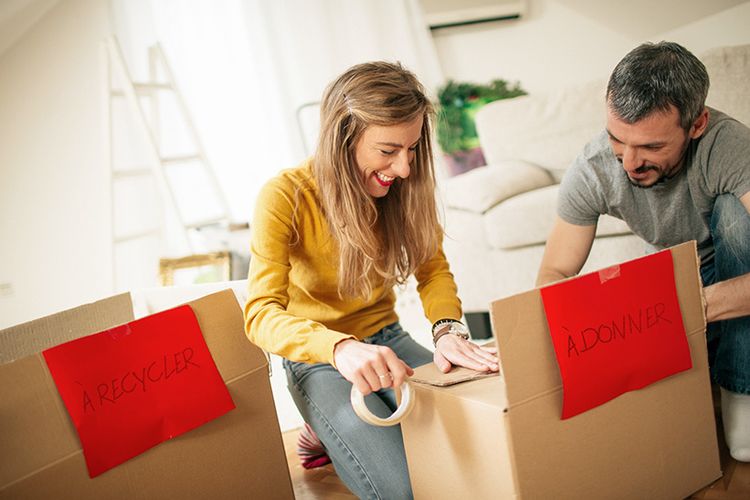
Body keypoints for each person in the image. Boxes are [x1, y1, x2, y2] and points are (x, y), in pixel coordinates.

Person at [244, 61, 499, 499]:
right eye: (387, 151)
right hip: (321, 358)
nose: (403, 168)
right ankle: (320, 425)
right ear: (343, 139)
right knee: (407, 490)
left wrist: (447, 330)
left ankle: (324, 429)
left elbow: (433, 269)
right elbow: (260, 315)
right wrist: (338, 348)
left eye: (412, 149)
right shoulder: (284, 195)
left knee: (478, 448)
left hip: (390, 340)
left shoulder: (405, 186)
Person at [536, 41, 750, 461]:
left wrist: (694, 305)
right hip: (686, 292)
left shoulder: (729, 146)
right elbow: (554, 273)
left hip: (730, 287)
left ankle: (740, 388)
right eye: (618, 140)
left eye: (652, 147)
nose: (630, 162)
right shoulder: (596, 166)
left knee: (733, 213)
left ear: (698, 123)